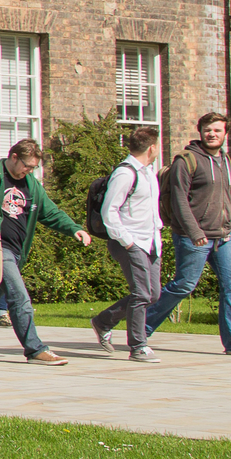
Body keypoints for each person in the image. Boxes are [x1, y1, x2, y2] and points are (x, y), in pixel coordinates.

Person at [145, 112, 231, 357]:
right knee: (184, 285)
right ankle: (140, 327)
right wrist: (194, 232)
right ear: (200, 132)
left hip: (225, 236)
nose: (212, 134)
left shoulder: (225, 160)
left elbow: (228, 197)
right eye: (208, 130)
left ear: (225, 134)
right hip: (194, 236)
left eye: (217, 130)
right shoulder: (186, 160)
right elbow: (179, 201)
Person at [0, 137, 90, 365]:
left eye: (33, 168)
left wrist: (74, 229)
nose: (29, 171)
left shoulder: (31, 184)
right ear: (14, 157)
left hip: (16, 251)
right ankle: (35, 349)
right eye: (27, 166)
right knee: (20, 298)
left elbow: (50, 212)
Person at [93, 124, 166, 362]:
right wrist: (128, 242)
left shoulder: (148, 172)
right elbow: (109, 211)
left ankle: (104, 320)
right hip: (131, 242)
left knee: (153, 294)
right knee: (142, 293)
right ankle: (138, 346)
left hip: (151, 241)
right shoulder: (126, 173)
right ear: (152, 147)